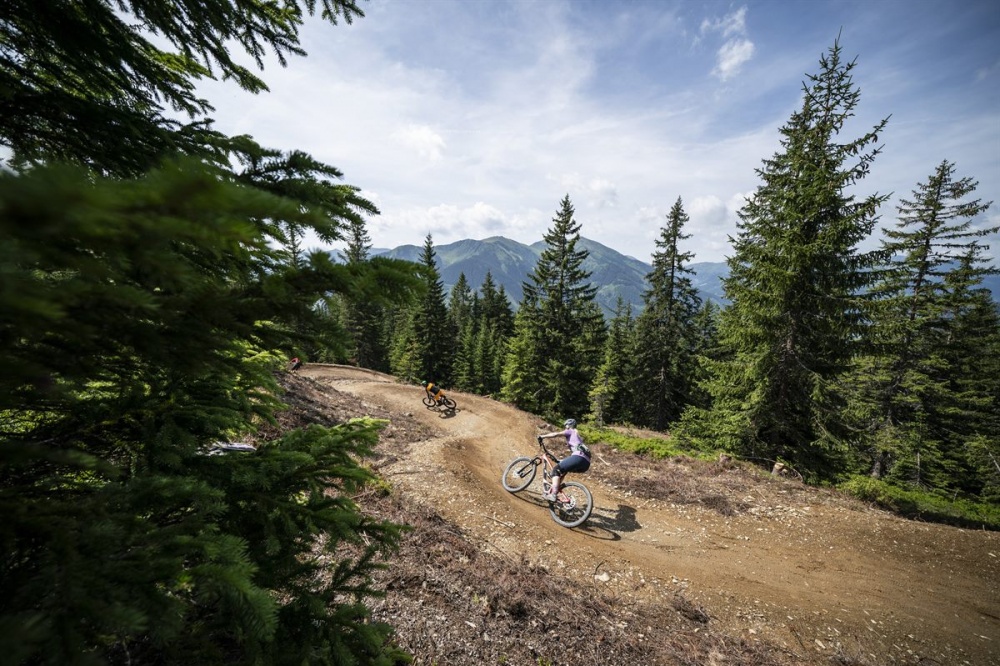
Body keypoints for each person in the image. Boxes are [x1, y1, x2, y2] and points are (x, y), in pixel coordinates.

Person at [537, 418, 591, 501]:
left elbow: (556, 434)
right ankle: (556, 488)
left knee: (556, 470)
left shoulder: (571, 431)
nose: (565, 428)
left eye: (566, 426)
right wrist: (561, 461)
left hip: (579, 457)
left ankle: (553, 494)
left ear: (569, 426)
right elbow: (575, 457)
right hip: (586, 463)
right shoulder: (577, 437)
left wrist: (542, 436)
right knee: (563, 470)